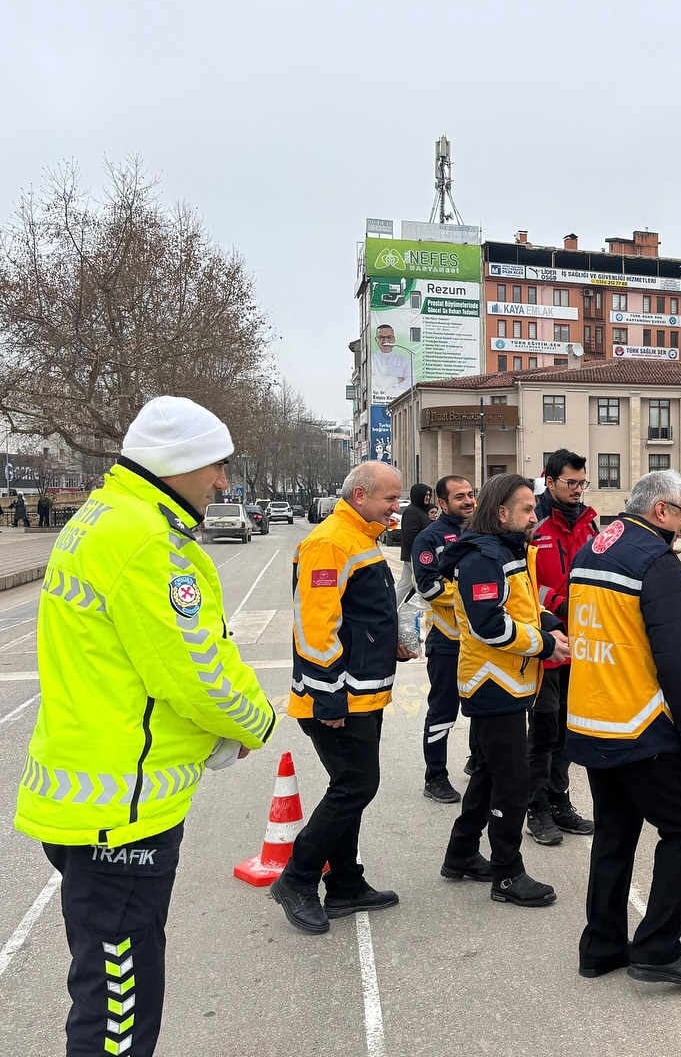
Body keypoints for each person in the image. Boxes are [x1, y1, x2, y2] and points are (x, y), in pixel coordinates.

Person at [14, 395, 277, 1057]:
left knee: (105, 988)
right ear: (179, 463)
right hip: (122, 812)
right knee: (117, 1014)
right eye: (216, 466)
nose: (224, 481)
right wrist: (256, 721)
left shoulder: (101, 518)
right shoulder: (148, 543)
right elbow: (196, 674)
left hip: (83, 791)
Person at [566, 469, 681, 985]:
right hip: (639, 722)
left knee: (615, 831)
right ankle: (656, 947)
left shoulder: (594, 549)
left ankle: (601, 947)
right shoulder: (657, 561)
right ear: (661, 511)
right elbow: (677, 658)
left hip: (593, 717)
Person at [272, 461, 410, 935]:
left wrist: (386, 640)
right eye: (390, 500)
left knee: (349, 787)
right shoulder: (330, 541)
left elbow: (355, 615)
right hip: (338, 699)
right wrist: (328, 699)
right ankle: (297, 878)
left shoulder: (358, 536)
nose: (397, 509)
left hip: (362, 694)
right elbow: (315, 628)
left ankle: (347, 883)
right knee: (355, 786)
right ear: (360, 496)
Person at [440, 474, 568, 907]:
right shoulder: (482, 558)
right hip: (492, 685)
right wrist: (545, 644)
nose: (536, 516)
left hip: (509, 683)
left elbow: (520, 607)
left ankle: (460, 854)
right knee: (512, 783)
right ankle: (507, 874)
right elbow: (489, 624)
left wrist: (548, 622)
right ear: (501, 513)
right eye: (528, 509)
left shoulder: (507, 550)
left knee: (490, 775)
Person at [525, 450, 598, 845]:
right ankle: (535, 808)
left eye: (582, 482)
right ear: (549, 481)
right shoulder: (531, 524)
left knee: (569, 731)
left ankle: (559, 801)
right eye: (571, 482)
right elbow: (520, 585)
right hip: (546, 646)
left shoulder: (589, 524)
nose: (577, 489)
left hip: (580, 645)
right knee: (543, 731)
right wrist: (557, 602)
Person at [412, 475, 480, 804]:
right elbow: (428, 587)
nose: (468, 501)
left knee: (484, 705)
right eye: (460, 497)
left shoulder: (484, 533)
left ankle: (477, 761)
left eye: (471, 495)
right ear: (442, 503)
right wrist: (472, 594)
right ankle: (435, 775)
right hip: (448, 641)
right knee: (442, 711)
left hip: (482, 641)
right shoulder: (430, 538)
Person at [396, 482, 433, 605]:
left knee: (405, 584)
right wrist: (421, 551)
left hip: (415, 554)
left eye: (429, 495)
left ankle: (391, 609)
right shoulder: (412, 511)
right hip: (416, 555)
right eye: (425, 495)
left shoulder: (421, 511)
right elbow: (410, 535)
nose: (427, 497)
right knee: (423, 583)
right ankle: (416, 610)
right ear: (418, 495)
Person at [371, 324, 414, 400]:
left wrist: (389, 391)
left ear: (394, 339)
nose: (385, 341)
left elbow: (411, 382)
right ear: (376, 340)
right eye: (381, 337)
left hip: (398, 402)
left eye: (389, 337)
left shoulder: (403, 361)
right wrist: (396, 380)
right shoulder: (371, 360)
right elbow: (372, 382)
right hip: (377, 400)